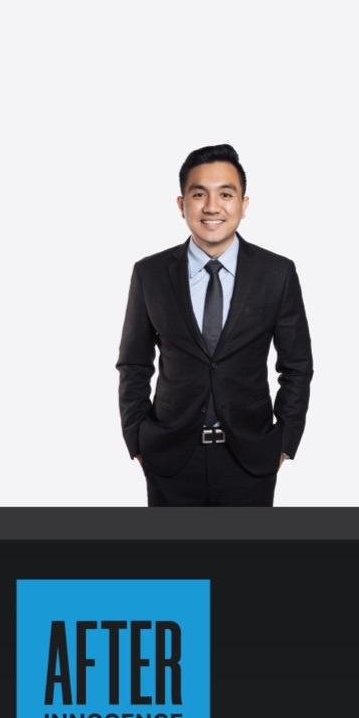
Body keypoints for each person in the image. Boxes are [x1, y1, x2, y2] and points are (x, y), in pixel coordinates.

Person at [117, 144, 313, 507]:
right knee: (173, 564)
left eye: (226, 194)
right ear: (182, 205)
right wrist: (138, 437)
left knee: (245, 564)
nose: (212, 207)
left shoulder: (277, 273)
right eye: (198, 194)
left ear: (243, 203)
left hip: (250, 459)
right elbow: (133, 364)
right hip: (171, 460)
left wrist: (284, 442)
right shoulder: (150, 274)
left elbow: (296, 366)